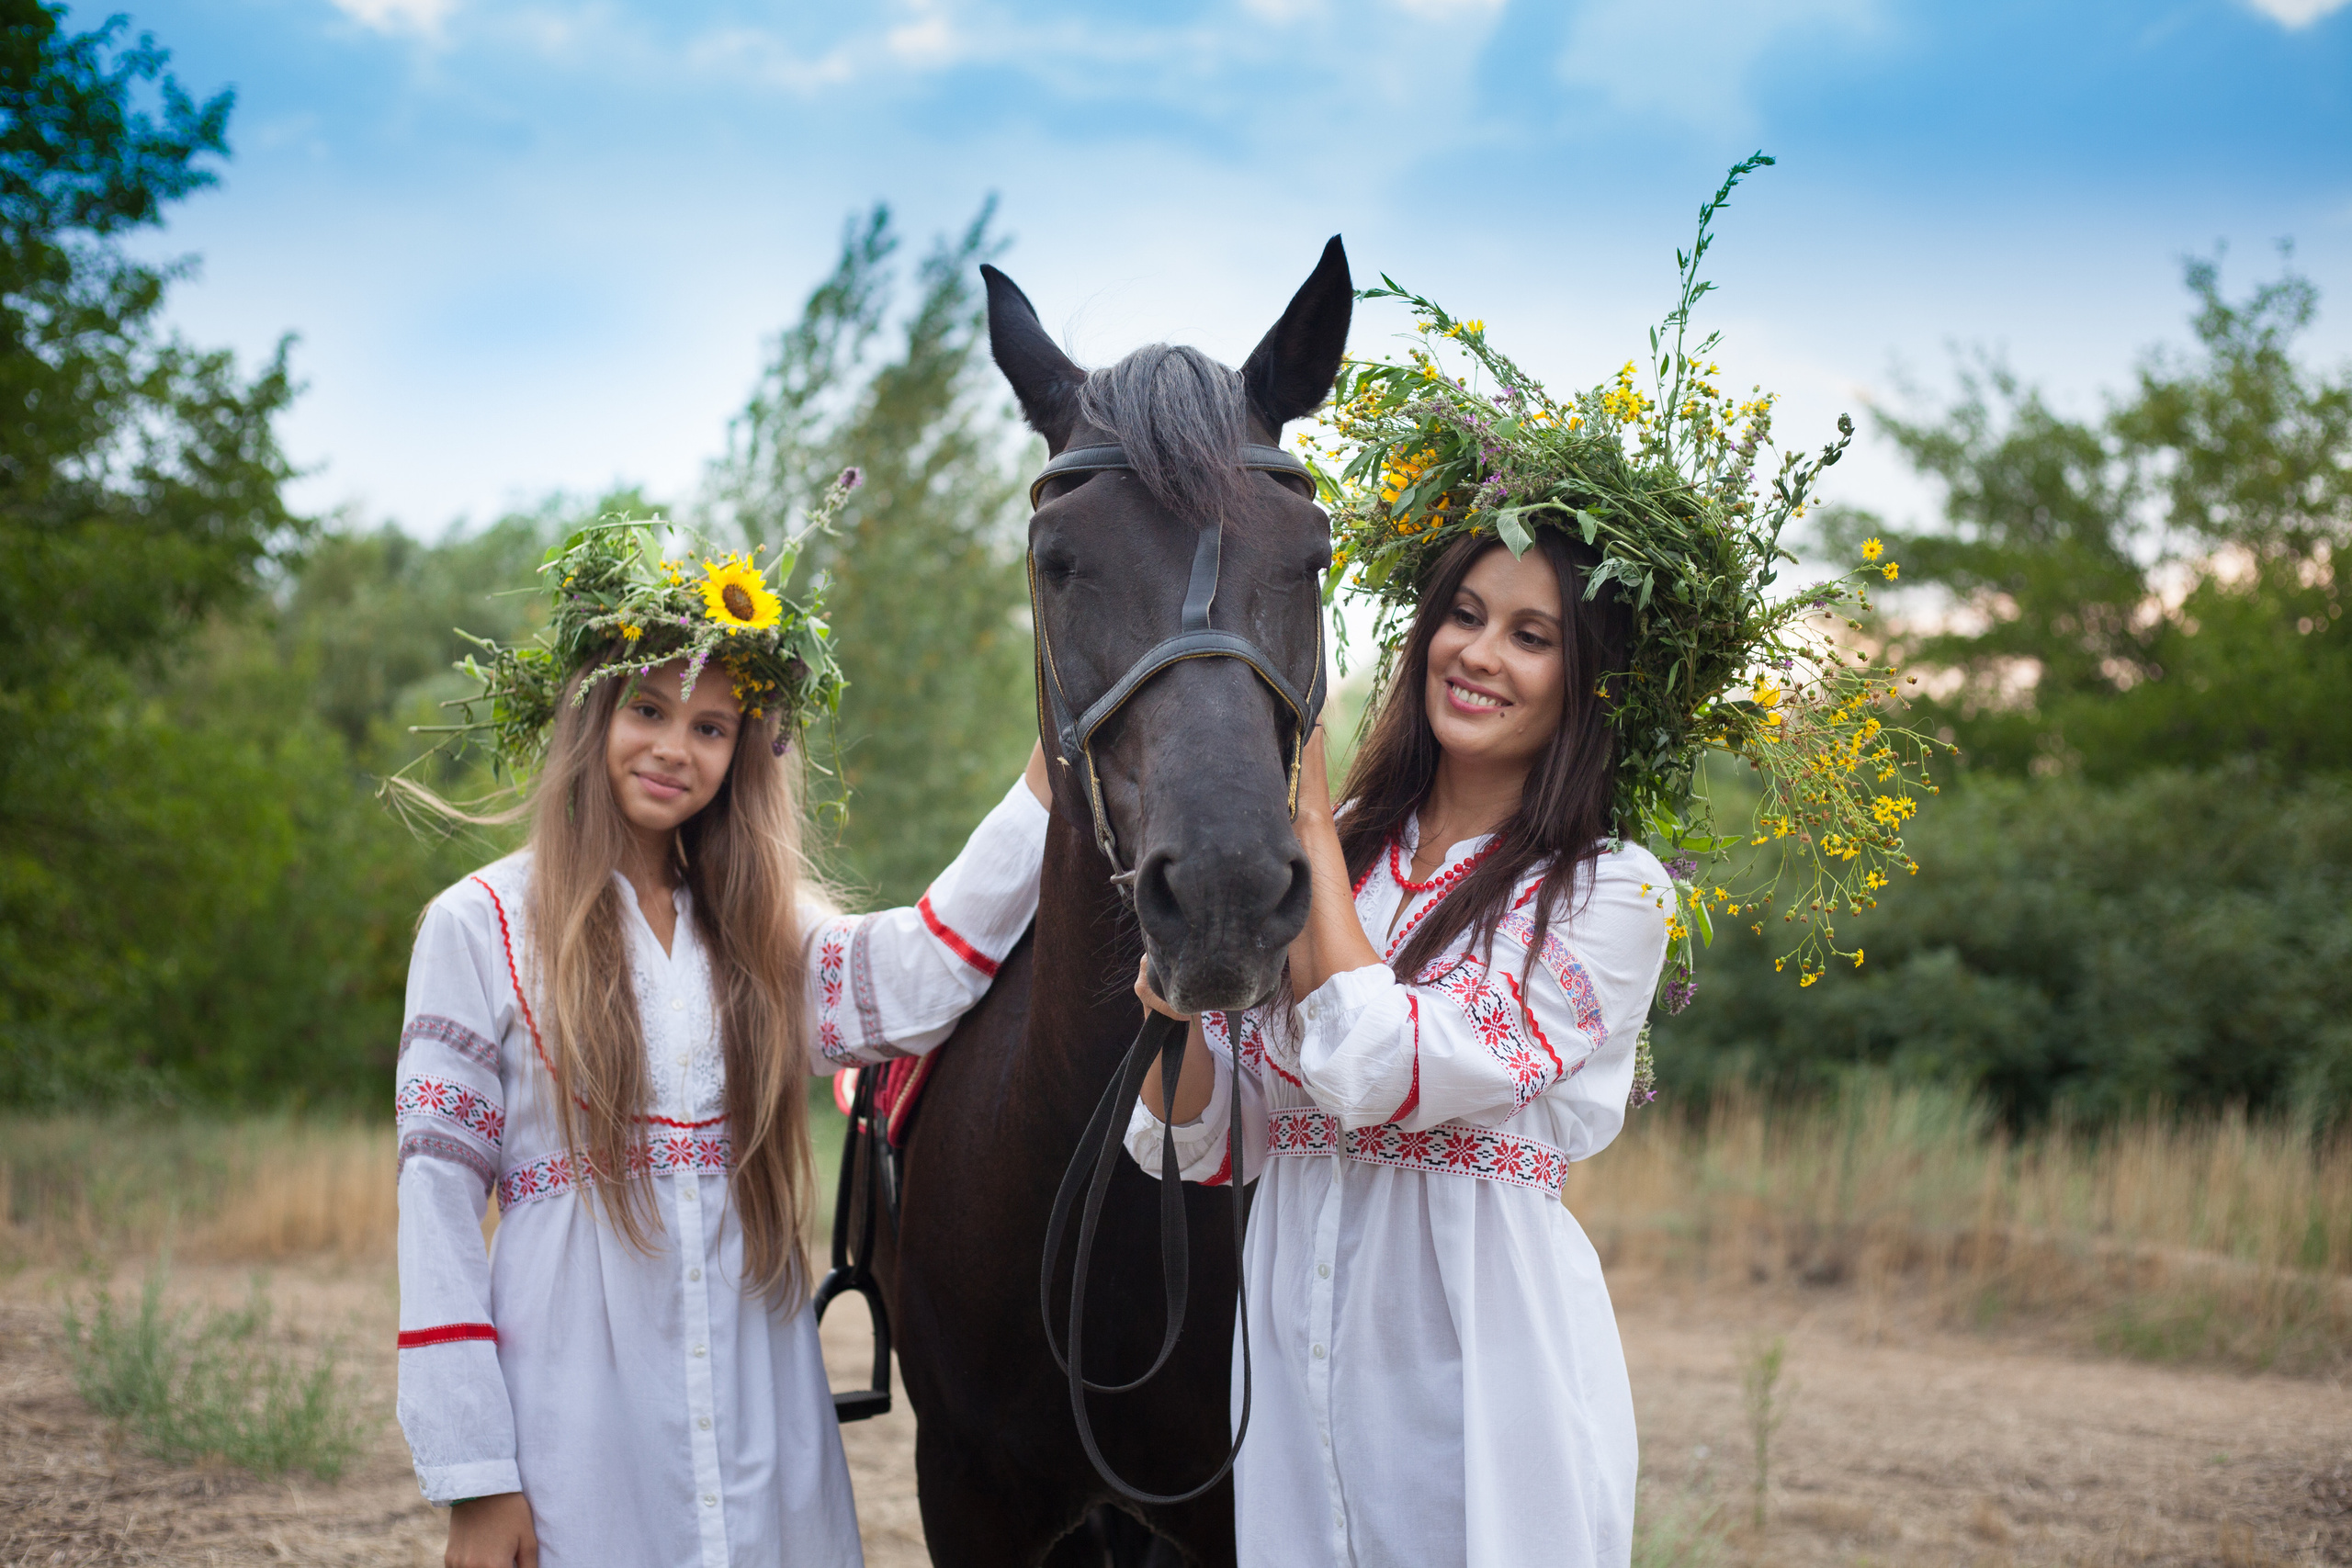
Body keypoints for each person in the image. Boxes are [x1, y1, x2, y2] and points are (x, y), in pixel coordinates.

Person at [390, 510, 1049, 1568]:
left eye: (710, 728)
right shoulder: (481, 926)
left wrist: (1052, 767)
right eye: (647, 709)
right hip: (575, 1424)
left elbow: (922, 977)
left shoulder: (758, 933)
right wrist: (476, 1478)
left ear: (741, 753)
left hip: (759, 1399)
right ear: (590, 715)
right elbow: (435, 1213)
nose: (674, 748)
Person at [1130, 525, 1668, 1568]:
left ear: (1588, 679)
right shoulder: (1349, 857)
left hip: (1477, 1361)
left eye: (1531, 637)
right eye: (1464, 616)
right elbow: (1222, 1135)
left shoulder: (1609, 890)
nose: (1479, 653)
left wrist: (1307, 819)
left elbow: (1384, 1065)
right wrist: (1176, 1011)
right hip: (1294, 1361)